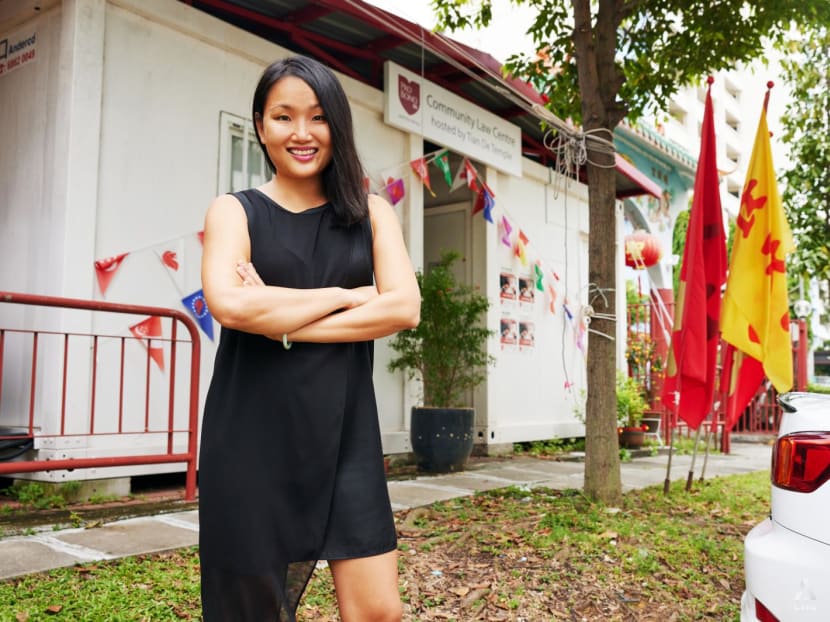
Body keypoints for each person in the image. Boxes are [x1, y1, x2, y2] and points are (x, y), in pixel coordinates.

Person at [199, 55, 420, 622]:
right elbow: (230, 304)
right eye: (284, 117)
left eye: (318, 117)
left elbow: (404, 307)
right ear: (261, 125)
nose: (302, 133)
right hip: (251, 438)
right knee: (249, 614)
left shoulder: (371, 213)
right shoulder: (234, 212)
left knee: (379, 611)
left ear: (337, 124)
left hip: (347, 434)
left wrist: (279, 318)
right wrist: (349, 295)